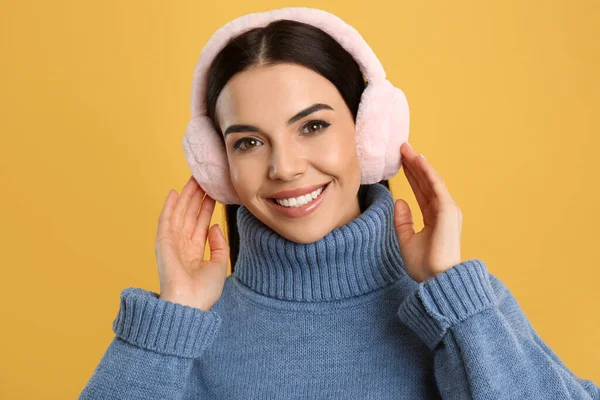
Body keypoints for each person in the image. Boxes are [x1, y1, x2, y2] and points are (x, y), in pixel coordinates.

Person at [79, 7, 599, 399]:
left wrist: (455, 296)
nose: (284, 167)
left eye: (314, 126)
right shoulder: (184, 335)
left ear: (369, 133)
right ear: (220, 168)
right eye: (248, 142)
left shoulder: (467, 312)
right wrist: (170, 323)